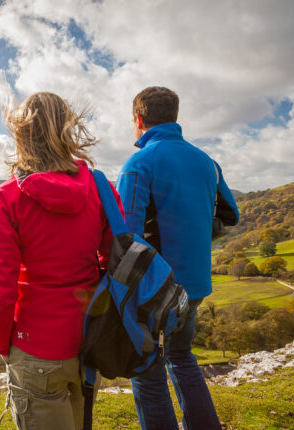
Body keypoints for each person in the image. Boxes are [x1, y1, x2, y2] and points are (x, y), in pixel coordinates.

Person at [0, 92, 124, 430]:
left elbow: (0, 291)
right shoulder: (100, 187)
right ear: (68, 130)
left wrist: (2, 344)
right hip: (89, 340)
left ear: (21, 134)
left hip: (34, 346)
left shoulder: (6, 198)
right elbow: (116, 261)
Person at [116, 86, 239, 429]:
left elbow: (125, 236)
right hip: (195, 284)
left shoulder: (139, 163)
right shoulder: (207, 162)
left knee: (145, 365)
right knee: (182, 357)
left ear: (138, 120)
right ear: (174, 117)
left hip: (154, 286)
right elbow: (232, 216)